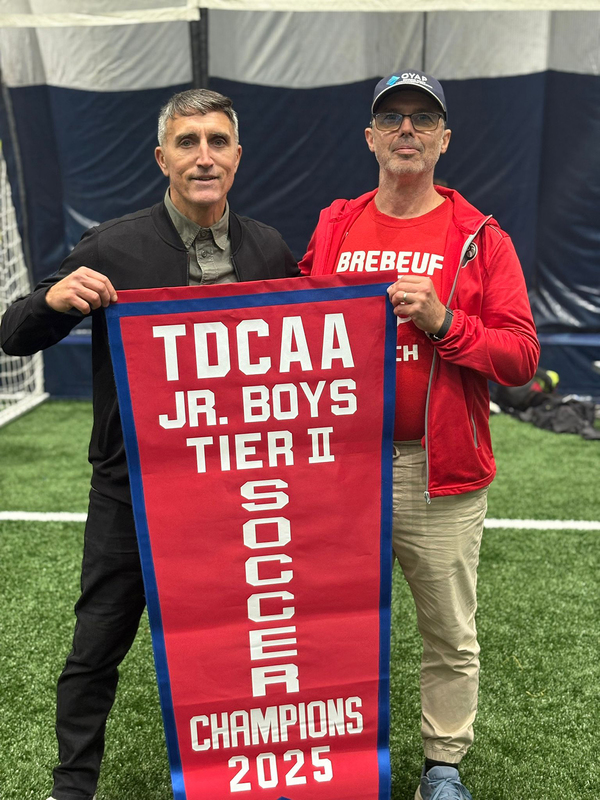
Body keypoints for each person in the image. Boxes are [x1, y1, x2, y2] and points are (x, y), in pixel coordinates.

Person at [0, 88, 298, 800]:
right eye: (188, 142)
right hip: (133, 492)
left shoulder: (269, 250)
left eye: (217, 141)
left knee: (244, 645)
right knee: (97, 643)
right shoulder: (113, 245)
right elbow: (12, 332)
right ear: (163, 157)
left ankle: (240, 775)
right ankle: (72, 786)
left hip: (238, 495)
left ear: (237, 156)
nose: (204, 156)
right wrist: (49, 300)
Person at [299, 71, 539, 800]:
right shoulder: (336, 223)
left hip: (438, 472)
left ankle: (442, 766)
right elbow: (296, 320)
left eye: (422, 120)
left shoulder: (479, 238)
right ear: (371, 138)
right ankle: (335, 755)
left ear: (443, 140)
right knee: (327, 621)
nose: (407, 130)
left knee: (447, 631)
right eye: (393, 118)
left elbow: (522, 358)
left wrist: (443, 323)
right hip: (342, 469)